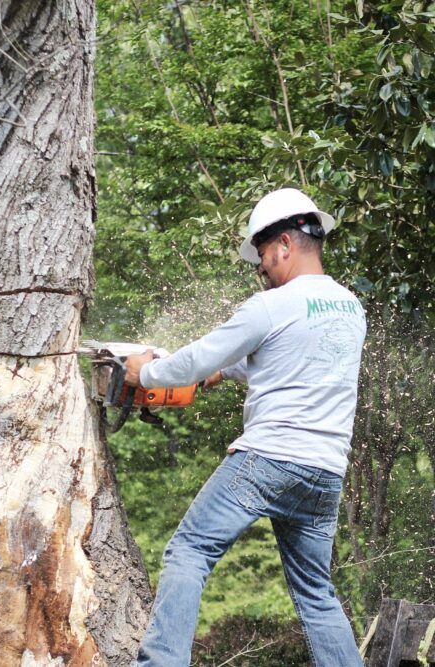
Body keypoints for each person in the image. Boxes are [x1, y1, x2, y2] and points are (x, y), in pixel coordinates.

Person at [124, 188, 366, 667]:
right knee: (316, 592)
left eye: (262, 255)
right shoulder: (349, 308)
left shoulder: (270, 306)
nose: (261, 268)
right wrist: (224, 372)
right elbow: (292, 360)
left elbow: (197, 357)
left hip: (268, 458)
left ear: (283, 244)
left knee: (189, 552)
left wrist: (144, 373)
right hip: (324, 473)